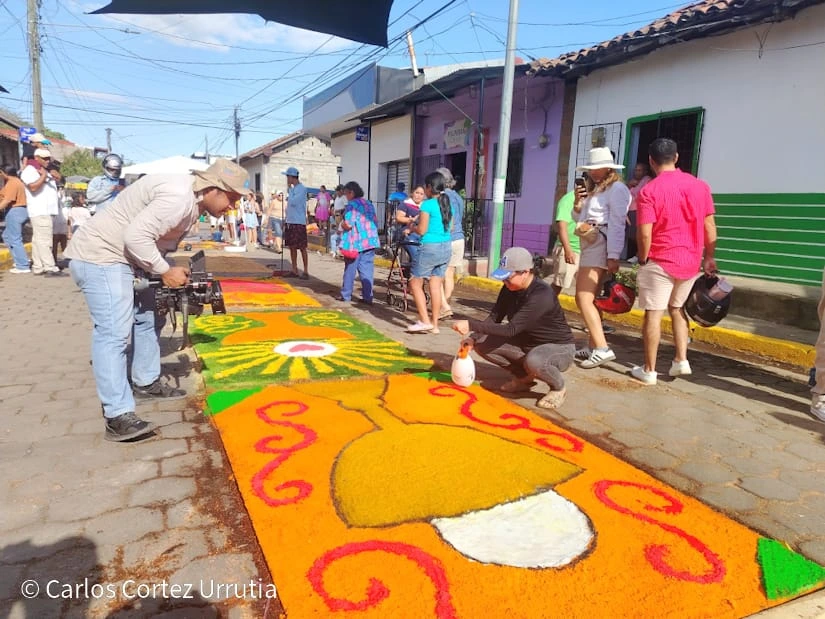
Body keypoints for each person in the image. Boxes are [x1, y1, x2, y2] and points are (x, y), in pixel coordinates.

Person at [64, 159, 248, 442]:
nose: (232, 207)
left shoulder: (191, 201)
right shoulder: (178, 198)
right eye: (231, 198)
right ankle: (117, 416)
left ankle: (146, 382)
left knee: (151, 314)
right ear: (213, 189)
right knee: (113, 333)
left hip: (129, 258)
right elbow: (135, 237)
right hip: (102, 257)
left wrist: (167, 268)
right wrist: (164, 270)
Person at [630, 138, 717, 385]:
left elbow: (644, 233)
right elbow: (710, 226)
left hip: (660, 259)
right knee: (677, 308)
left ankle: (649, 370)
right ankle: (681, 360)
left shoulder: (649, 191)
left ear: (651, 161)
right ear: (676, 157)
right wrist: (709, 257)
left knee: (653, 314)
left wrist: (642, 258)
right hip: (690, 261)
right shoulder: (700, 186)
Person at [452, 246, 575, 410]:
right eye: (503, 278)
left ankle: (558, 388)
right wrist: (472, 338)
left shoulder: (541, 295)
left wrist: (470, 324)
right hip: (526, 343)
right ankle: (523, 379)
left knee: (535, 361)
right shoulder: (509, 289)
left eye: (508, 278)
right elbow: (495, 317)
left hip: (558, 348)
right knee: (481, 342)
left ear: (525, 272)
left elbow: (511, 329)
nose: (505, 282)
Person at [572, 147, 631, 368]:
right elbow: (581, 217)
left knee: (583, 297)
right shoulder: (596, 189)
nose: (593, 172)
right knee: (592, 298)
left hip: (599, 244)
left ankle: (602, 347)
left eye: (597, 168)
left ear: (609, 167)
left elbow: (617, 223)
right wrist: (578, 204)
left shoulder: (617, 189)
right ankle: (593, 345)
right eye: (591, 168)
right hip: (590, 242)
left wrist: (614, 255)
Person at [406, 171, 452, 334]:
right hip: (446, 246)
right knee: (435, 285)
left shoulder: (427, 205)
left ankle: (425, 321)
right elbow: (451, 226)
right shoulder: (447, 203)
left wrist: (413, 228)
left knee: (415, 283)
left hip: (430, 247)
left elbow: (422, 230)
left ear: (429, 187)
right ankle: (435, 325)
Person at [337, 181, 380, 304]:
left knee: (350, 269)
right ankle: (368, 297)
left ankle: (346, 295)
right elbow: (375, 221)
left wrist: (341, 224)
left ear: (351, 193)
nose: (346, 197)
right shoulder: (368, 204)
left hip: (356, 243)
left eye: (346, 194)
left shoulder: (351, 205)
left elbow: (348, 225)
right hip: (370, 240)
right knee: (367, 270)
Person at [21, 148, 62, 276]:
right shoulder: (30, 170)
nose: (47, 161)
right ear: (36, 157)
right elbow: (32, 187)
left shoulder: (45, 170)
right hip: (40, 210)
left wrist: (53, 175)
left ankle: (38, 266)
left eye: (48, 158)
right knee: (45, 241)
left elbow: (58, 180)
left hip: (46, 211)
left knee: (38, 241)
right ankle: (50, 267)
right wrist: (44, 176)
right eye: (44, 158)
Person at [435, 167, 465, 319]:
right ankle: (445, 304)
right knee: (449, 274)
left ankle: (444, 306)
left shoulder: (441, 197)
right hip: (459, 238)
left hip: (446, 238)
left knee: (437, 274)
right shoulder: (458, 197)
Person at [547, 190, 579, 296]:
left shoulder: (592, 199)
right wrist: (568, 250)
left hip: (586, 250)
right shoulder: (568, 199)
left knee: (585, 288)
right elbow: (562, 226)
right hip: (570, 248)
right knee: (559, 283)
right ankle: (543, 304)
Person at [0, 165, 31, 273]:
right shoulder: (14, 182)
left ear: (4, 173)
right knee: (7, 236)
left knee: (14, 238)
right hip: (19, 211)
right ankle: (20, 259)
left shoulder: (12, 183)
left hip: (15, 211)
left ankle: (22, 265)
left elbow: (7, 200)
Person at [282, 166, 309, 279]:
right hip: (291, 220)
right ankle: (294, 269)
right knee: (292, 246)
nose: (287, 179)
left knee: (302, 247)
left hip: (298, 221)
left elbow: (293, 202)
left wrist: (290, 190)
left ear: (292, 177)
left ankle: (306, 271)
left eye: (288, 177)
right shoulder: (292, 189)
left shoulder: (301, 189)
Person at [625, 162, 653, 264]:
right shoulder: (633, 181)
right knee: (631, 235)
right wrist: (628, 185)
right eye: (636, 170)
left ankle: (640, 255)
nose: (637, 172)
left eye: (639, 170)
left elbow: (641, 194)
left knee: (639, 234)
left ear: (645, 171)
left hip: (639, 210)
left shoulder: (647, 180)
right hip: (630, 210)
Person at [394, 184, 424, 263]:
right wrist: (411, 220)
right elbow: (399, 218)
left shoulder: (425, 206)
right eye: (417, 193)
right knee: (417, 257)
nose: (419, 196)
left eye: (421, 194)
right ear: (412, 193)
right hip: (408, 233)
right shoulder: (405, 204)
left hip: (421, 233)